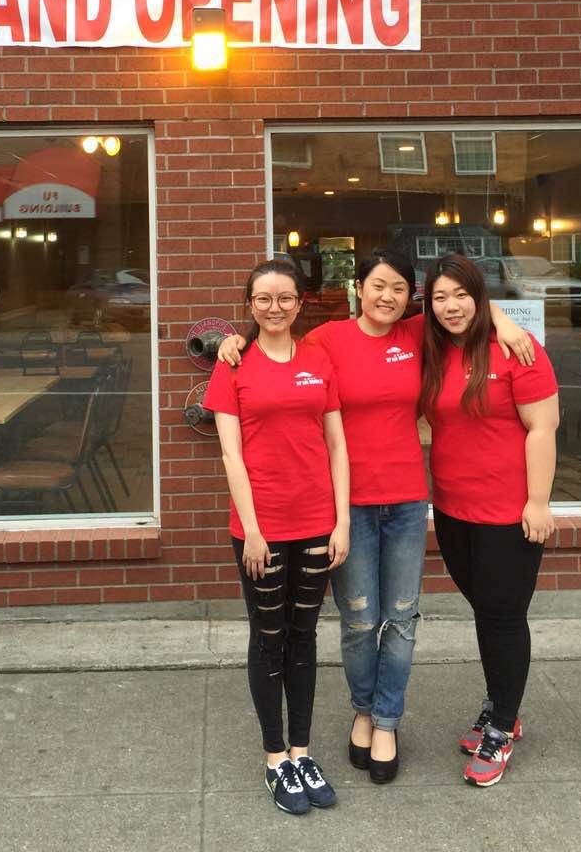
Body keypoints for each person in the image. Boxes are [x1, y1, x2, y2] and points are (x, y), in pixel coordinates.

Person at [218, 247, 533, 785]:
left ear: (410, 297)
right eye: (377, 285)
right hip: (348, 505)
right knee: (360, 620)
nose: (387, 296)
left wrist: (504, 320)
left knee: (402, 618)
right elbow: (275, 333)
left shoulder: (416, 334)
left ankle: (387, 720)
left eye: (399, 288)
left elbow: (462, 306)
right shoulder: (327, 340)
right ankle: (363, 711)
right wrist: (235, 340)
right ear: (358, 288)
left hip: (407, 500)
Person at [204, 257, 350, 816]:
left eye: (285, 297)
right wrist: (253, 531)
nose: (275, 307)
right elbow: (231, 456)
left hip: (316, 522)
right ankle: (274, 758)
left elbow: (336, 444)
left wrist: (342, 521)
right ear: (249, 305)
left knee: (304, 637)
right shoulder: (233, 365)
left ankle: (301, 752)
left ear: (299, 303)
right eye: (263, 298)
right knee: (269, 638)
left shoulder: (318, 358)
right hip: (260, 530)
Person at [420, 253, 559, 788]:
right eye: (440, 297)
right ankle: (503, 702)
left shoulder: (518, 350)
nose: (451, 306)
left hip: (508, 513)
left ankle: (501, 724)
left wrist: (538, 501)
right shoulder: (435, 347)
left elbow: (543, 428)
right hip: (453, 509)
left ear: (480, 296)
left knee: (503, 616)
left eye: (462, 294)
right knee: (486, 611)